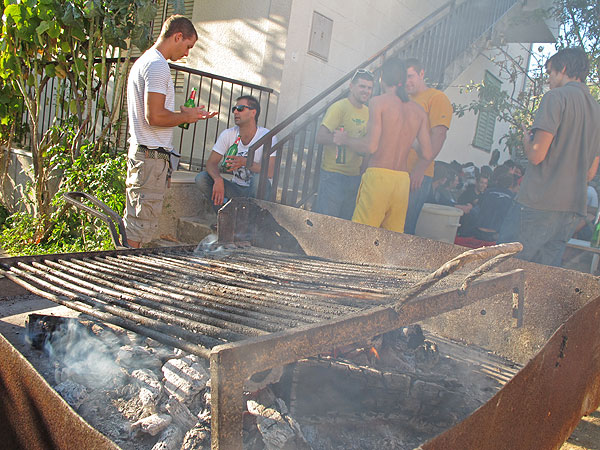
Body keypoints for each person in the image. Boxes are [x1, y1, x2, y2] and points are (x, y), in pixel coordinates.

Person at [498, 48, 600, 266]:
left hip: (538, 202)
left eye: (550, 73)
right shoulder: (596, 110)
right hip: (571, 209)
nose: (549, 80)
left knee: (504, 268)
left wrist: (527, 141)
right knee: (540, 279)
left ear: (562, 69)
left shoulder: (556, 97)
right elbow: (591, 172)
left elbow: (536, 155)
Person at [125, 15, 217, 248]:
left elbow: (156, 114)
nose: (187, 53)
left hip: (149, 158)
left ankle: (128, 265)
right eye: (188, 46)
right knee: (140, 225)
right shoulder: (157, 66)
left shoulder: (147, 62)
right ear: (177, 36)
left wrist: (183, 115)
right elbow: (154, 116)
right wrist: (185, 116)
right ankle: (126, 271)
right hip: (149, 159)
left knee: (140, 219)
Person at [336, 58, 432, 233]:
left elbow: (371, 146)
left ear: (382, 78)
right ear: (402, 80)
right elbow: (427, 152)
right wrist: (407, 139)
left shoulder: (378, 102)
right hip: (402, 181)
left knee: (361, 235)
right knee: (391, 241)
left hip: (379, 177)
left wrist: (346, 140)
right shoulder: (419, 111)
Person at [195, 95, 277, 213]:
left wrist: (245, 162)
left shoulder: (267, 136)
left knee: (259, 180)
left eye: (240, 108)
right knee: (202, 178)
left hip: (256, 190)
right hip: (236, 188)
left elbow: (270, 171)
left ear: (253, 112)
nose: (235, 112)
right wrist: (218, 179)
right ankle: (224, 218)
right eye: (234, 108)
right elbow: (211, 163)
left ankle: (249, 223)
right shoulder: (228, 134)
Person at [313, 69, 374, 219]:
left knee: (346, 226)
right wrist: (336, 138)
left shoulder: (369, 112)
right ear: (351, 86)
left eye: (369, 88)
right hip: (333, 176)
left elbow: (368, 145)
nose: (366, 91)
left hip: (355, 176)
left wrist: (363, 171)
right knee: (326, 223)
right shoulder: (339, 107)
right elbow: (320, 137)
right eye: (362, 86)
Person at [403, 58, 453, 234]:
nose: (407, 81)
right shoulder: (404, 98)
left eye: (410, 76)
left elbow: (439, 135)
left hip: (417, 174)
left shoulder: (437, 98)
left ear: (422, 73)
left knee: (404, 228)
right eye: (404, 77)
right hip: (396, 172)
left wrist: (420, 169)